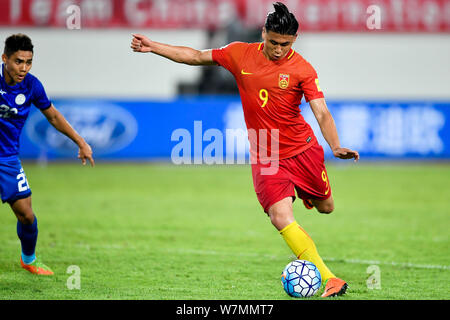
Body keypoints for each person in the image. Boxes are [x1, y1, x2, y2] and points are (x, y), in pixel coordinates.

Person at [131, 2, 359, 297]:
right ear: (263, 32)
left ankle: (304, 193)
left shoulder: (302, 68)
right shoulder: (240, 53)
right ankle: (330, 279)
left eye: (285, 44)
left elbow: (322, 113)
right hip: (266, 154)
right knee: (280, 217)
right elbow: (196, 57)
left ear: (294, 41)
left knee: (326, 207)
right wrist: (154, 46)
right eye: (273, 42)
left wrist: (335, 145)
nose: (278, 49)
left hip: (303, 151)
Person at [0, 34, 94, 275]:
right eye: (18, 61)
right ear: (4, 59)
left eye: (28, 62)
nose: (23, 68)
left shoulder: (32, 85)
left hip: (8, 159)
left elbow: (52, 116)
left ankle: (28, 260)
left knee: (27, 216)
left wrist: (80, 141)